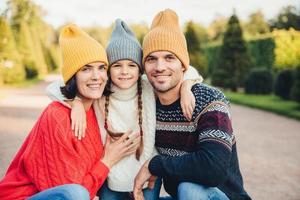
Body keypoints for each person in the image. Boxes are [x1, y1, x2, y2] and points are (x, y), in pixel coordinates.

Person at [46, 19, 201, 200]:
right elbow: (54, 87)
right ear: (108, 69)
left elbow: (188, 69)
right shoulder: (102, 89)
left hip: (146, 169)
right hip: (111, 171)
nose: (125, 71)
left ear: (140, 69)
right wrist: (76, 102)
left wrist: (186, 86)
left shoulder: (147, 85)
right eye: (117, 65)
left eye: (132, 65)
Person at [0, 24, 140, 200]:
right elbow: (73, 193)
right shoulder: (57, 116)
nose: (96, 76)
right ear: (73, 76)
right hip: (24, 197)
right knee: (76, 193)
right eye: (86, 69)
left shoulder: (96, 110)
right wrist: (108, 160)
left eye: (101, 67)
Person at [133, 9, 251, 200]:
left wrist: (153, 164)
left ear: (183, 65)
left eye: (169, 57)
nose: (160, 67)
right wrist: (77, 102)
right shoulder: (148, 105)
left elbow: (213, 168)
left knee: (190, 188)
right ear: (144, 67)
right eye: (151, 59)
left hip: (221, 195)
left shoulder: (209, 100)